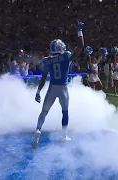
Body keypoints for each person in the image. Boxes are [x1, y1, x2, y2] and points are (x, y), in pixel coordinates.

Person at [32, 21, 85, 149]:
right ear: (61, 47)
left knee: (44, 112)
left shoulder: (47, 60)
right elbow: (81, 46)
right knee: (65, 112)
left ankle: (38, 130)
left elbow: (43, 77)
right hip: (63, 89)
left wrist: (38, 91)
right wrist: (79, 30)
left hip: (51, 89)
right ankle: (63, 135)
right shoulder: (66, 56)